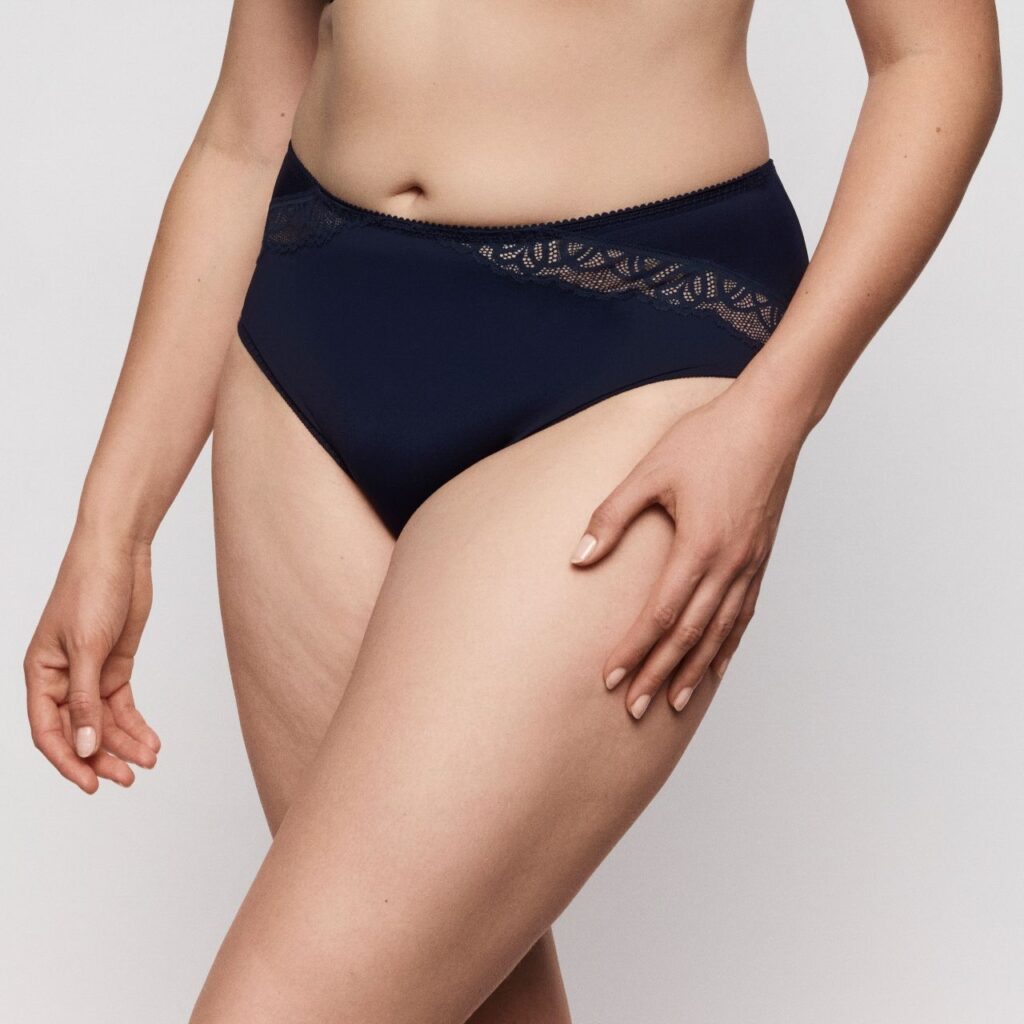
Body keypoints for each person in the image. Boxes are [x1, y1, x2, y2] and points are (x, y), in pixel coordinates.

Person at [23, 1, 1001, 1021]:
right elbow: (243, 133)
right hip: (305, 340)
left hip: (634, 348)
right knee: (448, 992)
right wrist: (113, 527)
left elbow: (937, 57)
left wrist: (769, 417)